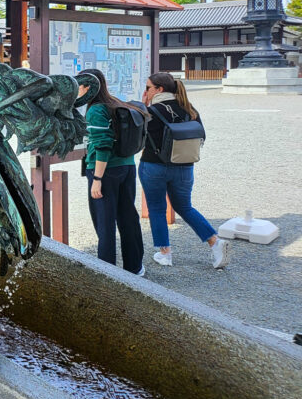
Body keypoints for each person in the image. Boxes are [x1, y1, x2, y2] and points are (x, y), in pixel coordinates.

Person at [140, 72, 229, 269]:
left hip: (154, 166)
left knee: (156, 208)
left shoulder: (151, 110)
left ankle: (165, 254)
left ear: (159, 90)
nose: (145, 91)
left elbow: (140, 140)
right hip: (184, 167)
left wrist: (144, 107)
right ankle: (215, 242)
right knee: (185, 207)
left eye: (148, 88)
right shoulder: (190, 109)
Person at [78, 68, 146, 275]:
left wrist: (97, 178)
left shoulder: (96, 110)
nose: (77, 90)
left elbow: (102, 145)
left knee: (104, 222)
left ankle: (107, 271)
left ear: (88, 87)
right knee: (127, 216)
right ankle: (134, 267)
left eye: (79, 86)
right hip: (127, 166)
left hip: (105, 171)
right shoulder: (115, 103)